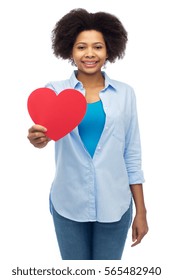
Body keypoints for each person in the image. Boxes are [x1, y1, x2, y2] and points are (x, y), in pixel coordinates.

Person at [27, 8, 148, 260]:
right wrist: (38, 139)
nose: (90, 54)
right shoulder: (55, 91)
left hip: (115, 205)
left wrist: (142, 211)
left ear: (109, 50)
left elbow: (132, 154)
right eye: (82, 47)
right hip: (68, 203)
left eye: (98, 47)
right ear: (70, 50)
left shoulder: (126, 94)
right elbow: (46, 135)